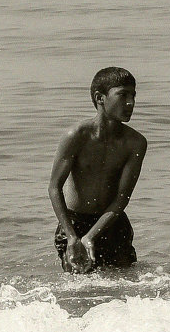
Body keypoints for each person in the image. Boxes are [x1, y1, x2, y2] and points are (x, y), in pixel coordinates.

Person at [49, 67, 147, 273]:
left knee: (124, 292)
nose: (130, 103)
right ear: (100, 98)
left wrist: (91, 237)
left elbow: (122, 198)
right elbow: (54, 188)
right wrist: (72, 236)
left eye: (133, 95)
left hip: (113, 223)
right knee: (78, 294)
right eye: (122, 95)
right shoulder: (76, 136)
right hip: (74, 223)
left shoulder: (135, 143)